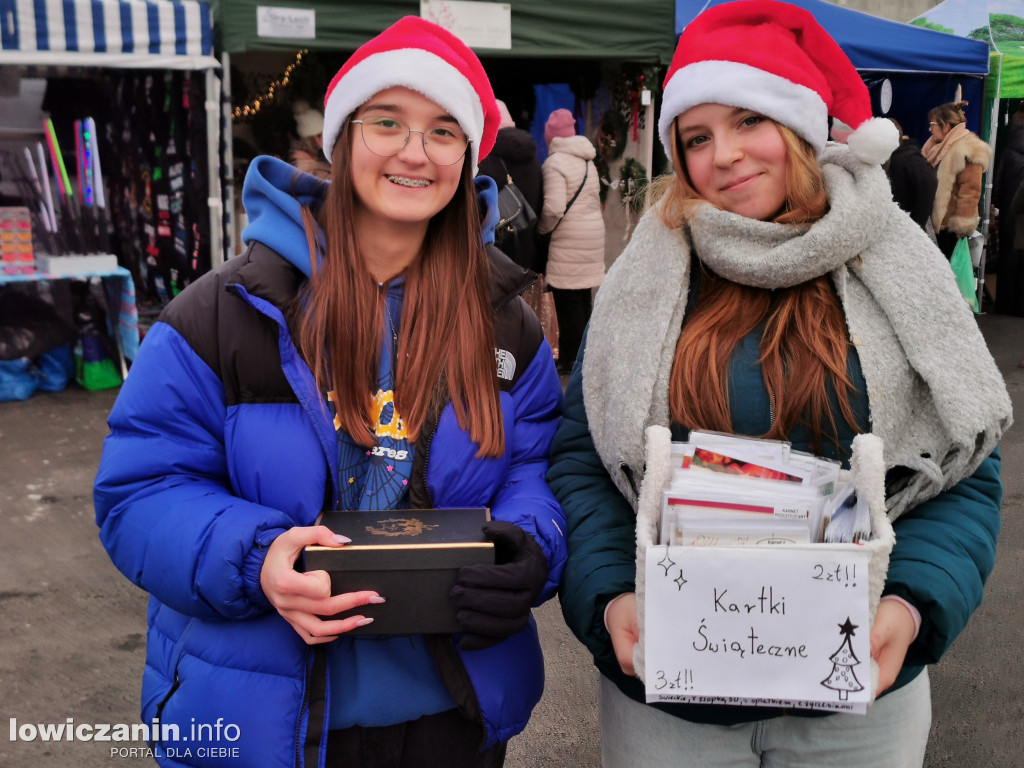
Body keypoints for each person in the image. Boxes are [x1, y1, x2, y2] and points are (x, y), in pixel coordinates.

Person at [94, 16, 567, 768]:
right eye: (389, 123)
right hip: (265, 723)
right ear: (342, 143)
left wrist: (528, 547)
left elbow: (537, 474)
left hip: (454, 717)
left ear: (466, 157)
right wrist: (255, 559)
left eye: (444, 132)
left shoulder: (506, 322)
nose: (415, 152)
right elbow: (141, 490)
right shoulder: (221, 314)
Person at [546, 3, 1011, 767]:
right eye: (696, 138)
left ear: (800, 129)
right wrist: (609, 598)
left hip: (858, 690)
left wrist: (912, 606)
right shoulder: (645, 279)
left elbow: (961, 461)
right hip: (671, 693)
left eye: (748, 121)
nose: (723, 155)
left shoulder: (897, 263)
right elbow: (584, 456)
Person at [478, 99, 558, 356]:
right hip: (528, 241)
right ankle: (528, 357)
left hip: (498, 246)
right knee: (524, 309)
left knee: (496, 308)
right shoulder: (533, 158)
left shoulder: (487, 158)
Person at [538, 108, 605, 374]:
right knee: (582, 298)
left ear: (551, 137)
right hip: (592, 235)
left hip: (570, 239)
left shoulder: (555, 163)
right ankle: (584, 354)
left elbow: (554, 208)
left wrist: (541, 229)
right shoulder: (586, 160)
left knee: (567, 303)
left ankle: (573, 360)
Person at [922, 100, 992, 258]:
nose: (930, 128)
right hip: (931, 224)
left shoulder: (968, 148)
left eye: (933, 124)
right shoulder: (934, 146)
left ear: (946, 126)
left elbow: (971, 190)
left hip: (950, 229)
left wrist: (962, 226)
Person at [884, 117, 937, 230]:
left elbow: (928, 184)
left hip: (906, 228)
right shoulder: (892, 157)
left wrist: (915, 224)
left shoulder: (908, 158)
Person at [290, 98, 330, 178]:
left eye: (319, 135)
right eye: (311, 138)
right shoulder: (300, 159)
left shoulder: (329, 149)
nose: (317, 141)